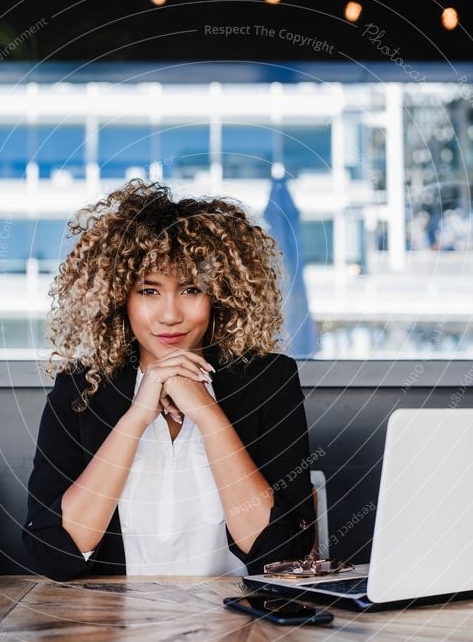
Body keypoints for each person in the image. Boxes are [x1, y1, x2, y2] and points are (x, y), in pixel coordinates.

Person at [22, 179, 316, 581]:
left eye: (191, 289)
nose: (170, 315)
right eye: (149, 291)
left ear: (220, 295)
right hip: (109, 632)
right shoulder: (80, 389)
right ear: (119, 298)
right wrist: (135, 417)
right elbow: (52, 555)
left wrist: (211, 419)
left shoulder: (269, 382)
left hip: (241, 630)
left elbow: (282, 554)